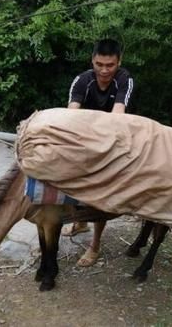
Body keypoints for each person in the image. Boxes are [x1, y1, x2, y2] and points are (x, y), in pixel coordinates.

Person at [62, 38, 135, 267]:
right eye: (99, 64)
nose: (104, 70)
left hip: (116, 139)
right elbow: (71, 115)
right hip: (85, 140)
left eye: (110, 65)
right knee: (69, 179)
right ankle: (79, 222)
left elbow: (118, 116)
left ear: (119, 62)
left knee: (101, 197)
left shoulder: (125, 80)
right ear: (92, 60)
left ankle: (95, 245)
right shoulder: (82, 80)